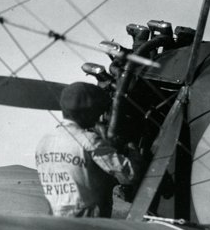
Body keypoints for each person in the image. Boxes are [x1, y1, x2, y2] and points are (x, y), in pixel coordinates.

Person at [35, 82, 138, 218]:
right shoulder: (89, 141)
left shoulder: (44, 142)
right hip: (88, 224)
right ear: (87, 112)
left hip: (56, 220)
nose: (99, 117)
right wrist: (132, 148)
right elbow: (129, 173)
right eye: (97, 111)